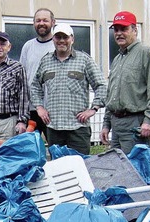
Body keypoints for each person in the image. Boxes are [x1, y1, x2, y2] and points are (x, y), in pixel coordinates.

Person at [30, 23, 107, 155]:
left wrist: (93, 108)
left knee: (80, 166)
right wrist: (39, 107)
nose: (61, 41)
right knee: (59, 169)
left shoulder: (84, 60)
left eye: (65, 37)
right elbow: (35, 86)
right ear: (53, 39)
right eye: (58, 37)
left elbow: (101, 85)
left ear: (72, 39)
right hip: (54, 128)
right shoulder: (46, 61)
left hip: (78, 128)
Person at [101, 11, 150, 154]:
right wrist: (106, 124)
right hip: (116, 123)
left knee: (135, 170)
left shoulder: (147, 53)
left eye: (124, 29)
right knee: (118, 169)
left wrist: (149, 121)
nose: (119, 33)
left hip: (136, 124)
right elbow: (111, 95)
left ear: (135, 30)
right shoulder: (118, 59)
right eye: (116, 30)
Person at [19, 8, 56, 140]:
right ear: (34, 23)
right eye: (38, 20)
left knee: (55, 150)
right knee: (30, 151)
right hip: (32, 109)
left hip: (53, 109)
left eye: (45, 20)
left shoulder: (58, 45)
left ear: (53, 22)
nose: (41, 23)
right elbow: (22, 78)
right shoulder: (28, 46)